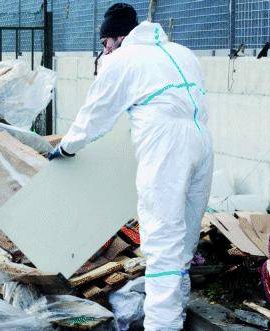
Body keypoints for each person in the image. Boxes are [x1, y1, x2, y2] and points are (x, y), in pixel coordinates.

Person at [48, 3, 214, 330]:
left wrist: (67, 147)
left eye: (105, 44)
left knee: (162, 243)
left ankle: (161, 326)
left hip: (166, 146)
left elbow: (95, 114)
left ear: (117, 38)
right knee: (182, 243)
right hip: (202, 142)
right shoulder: (182, 53)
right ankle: (175, 316)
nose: (104, 51)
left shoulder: (122, 59)